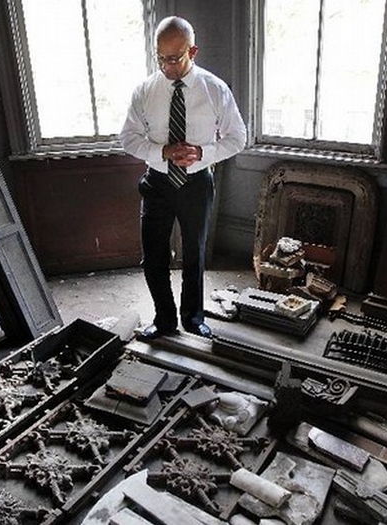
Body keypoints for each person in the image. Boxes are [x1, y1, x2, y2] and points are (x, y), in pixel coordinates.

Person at [120, 16, 246, 339]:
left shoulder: (215, 90)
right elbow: (128, 138)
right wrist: (161, 152)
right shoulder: (145, 91)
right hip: (157, 183)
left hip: (196, 184)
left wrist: (203, 153)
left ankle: (193, 319)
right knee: (153, 256)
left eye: (174, 58)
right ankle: (164, 321)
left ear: (194, 51)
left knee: (195, 254)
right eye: (160, 58)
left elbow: (238, 137)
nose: (167, 66)